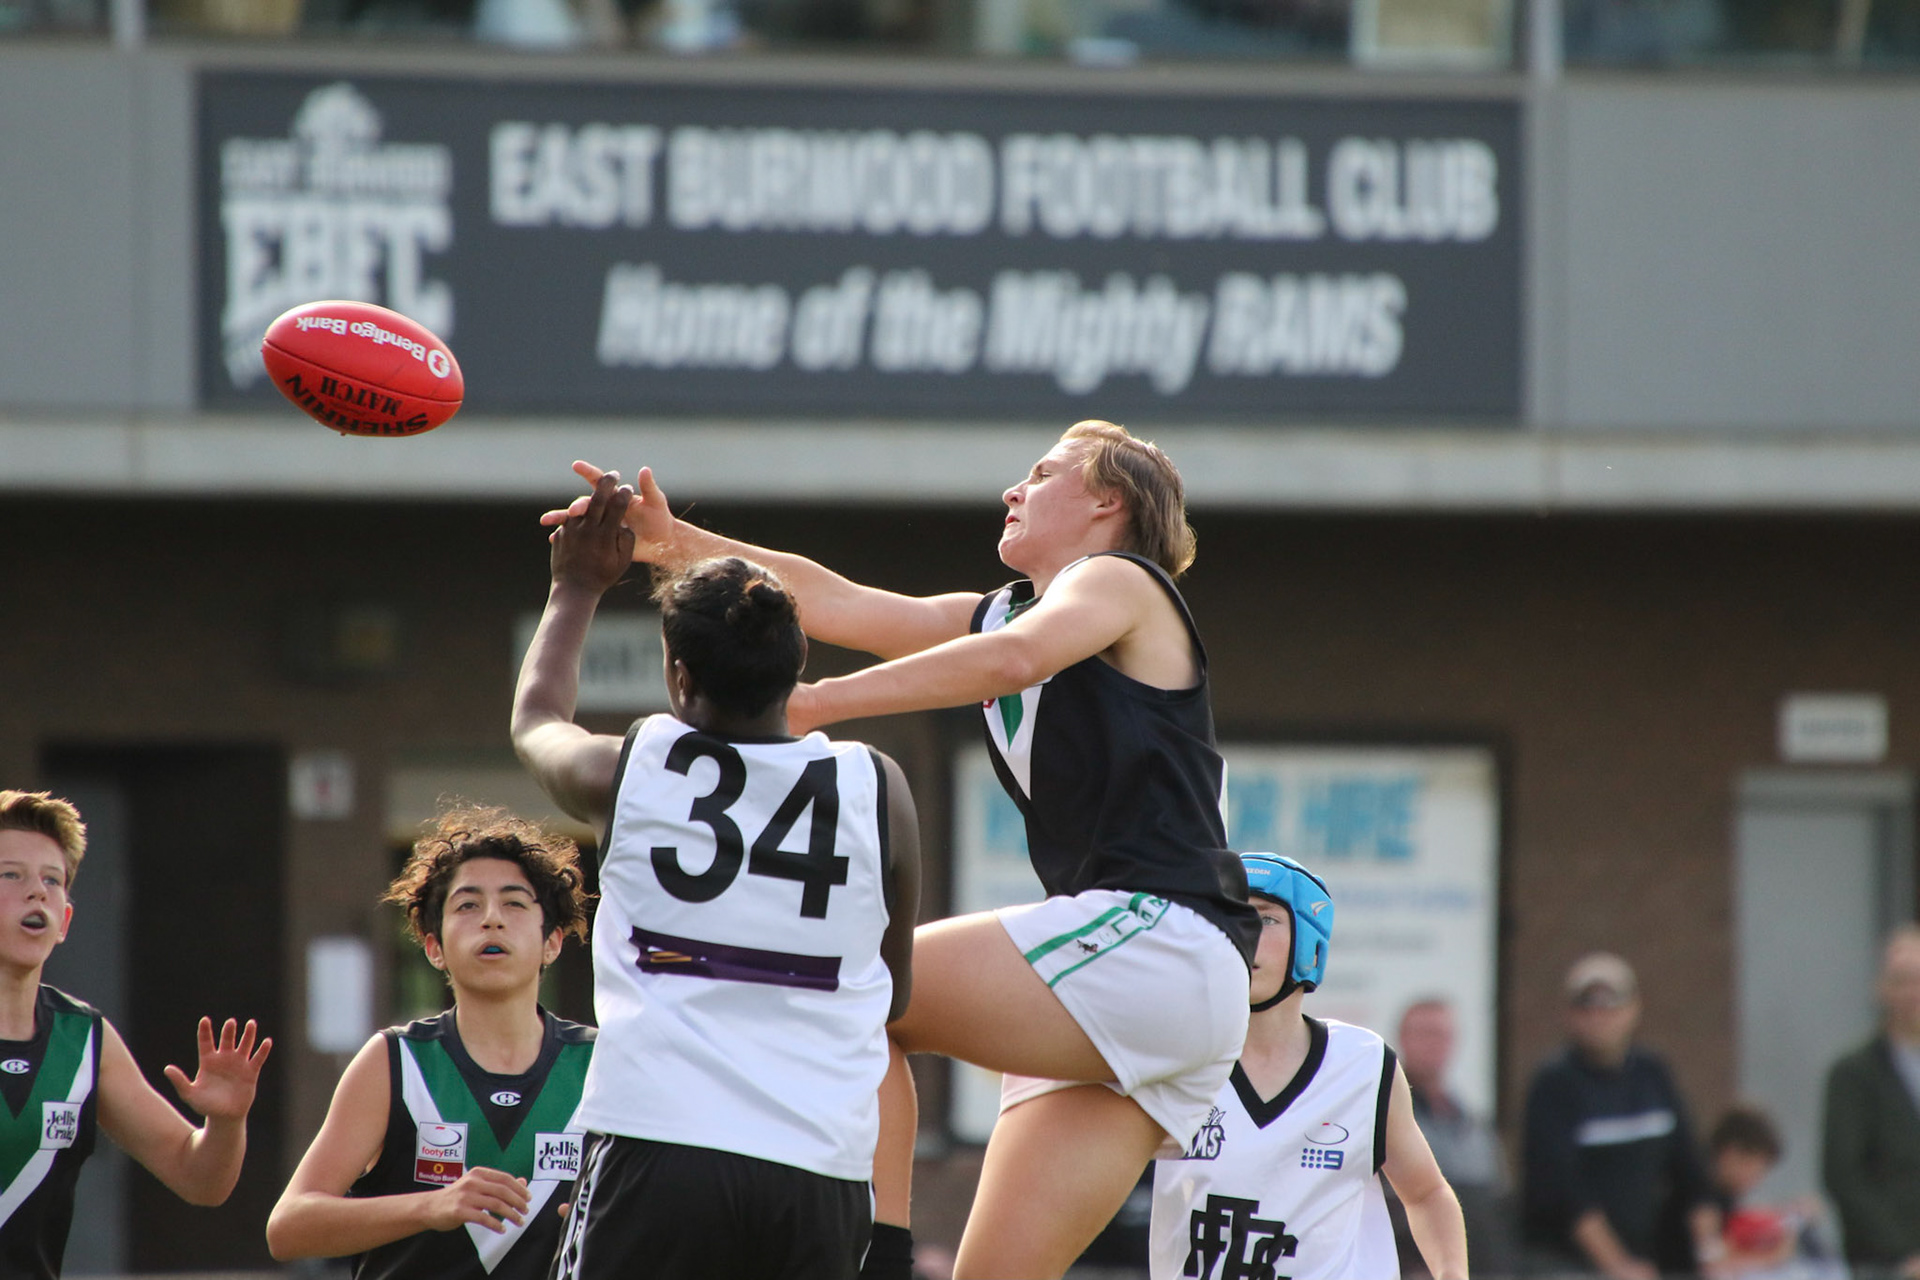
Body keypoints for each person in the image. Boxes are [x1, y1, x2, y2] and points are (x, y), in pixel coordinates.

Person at [544, 420, 1261, 1278]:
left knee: (868, 996)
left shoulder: (1117, 579)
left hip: (1159, 942)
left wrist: (821, 702)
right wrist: (675, 544)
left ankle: (879, 1252)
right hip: (1158, 995)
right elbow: (842, 603)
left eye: (1042, 474)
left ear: (1110, 502)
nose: (1013, 490)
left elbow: (1015, 660)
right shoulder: (1007, 611)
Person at [513, 475, 922, 1280]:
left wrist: (575, 587)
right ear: (797, 661)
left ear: (678, 676)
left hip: (659, 1146)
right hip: (820, 1167)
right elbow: (894, 995)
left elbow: (536, 721)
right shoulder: (879, 786)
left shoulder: (630, 767)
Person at [266, 805, 595, 1280]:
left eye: (514, 903)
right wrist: (431, 1206)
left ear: (553, 943)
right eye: (467, 905)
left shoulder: (599, 1065)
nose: (492, 919)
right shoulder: (394, 1061)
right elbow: (288, 1228)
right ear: (434, 947)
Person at [1150, 853, 1468, 1280]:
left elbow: (1427, 1193)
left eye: (1265, 918)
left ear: (1308, 941)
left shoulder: (1364, 1065)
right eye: (1228, 915)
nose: (1243, 931)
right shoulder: (1171, 1059)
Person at [0, 789, 273, 1279]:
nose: (37, 891)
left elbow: (200, 1179)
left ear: (64, 922)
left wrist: (226, 1123)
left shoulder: (85, 1040)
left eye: (52, 879)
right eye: (11, 875)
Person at [1521, 951, 1720, 1279]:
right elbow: (1564, 1192)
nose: (1599, 1017)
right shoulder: (1554, 1083)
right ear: (1569, 1015)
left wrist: (1711, 1253)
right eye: (1586, 1007)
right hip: (1565, 1262)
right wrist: (1616, 1265)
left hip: (1645, 1257)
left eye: (1610, 1005)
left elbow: (1691, 1174)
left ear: (1634, 1009)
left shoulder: (1653, 1074)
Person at [1821, 924, 1920, 1278]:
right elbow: (1844, 1175)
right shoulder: (1854, 1075)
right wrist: (1903, 1254)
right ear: (1881, 989)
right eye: (1902, 981)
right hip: (1887, 1264)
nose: (1914, 992)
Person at [1393, 997, 1514, 1278]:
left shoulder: (1475, 1125)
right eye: (1424, 1033)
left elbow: (1498, 1202)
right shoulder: (1385, 1116)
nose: (1433, 1044)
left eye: (1441, 1035)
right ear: (1403, 1038)